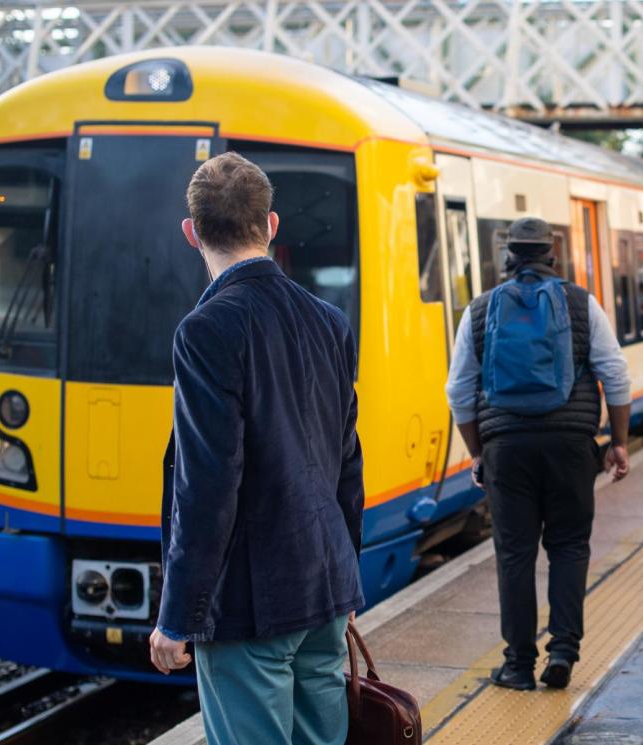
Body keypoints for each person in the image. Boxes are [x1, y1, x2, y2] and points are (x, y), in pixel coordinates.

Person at [149, 152, 364, 745]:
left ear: (193, 233)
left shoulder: (207, 329)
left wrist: (178, 615)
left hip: (249, 604)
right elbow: (348, 459)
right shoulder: (329, 321)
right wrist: (347, 581)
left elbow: (208, 483)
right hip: (323, 586)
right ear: (271, 226)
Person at [446, 216, 631, 692]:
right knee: (569, 547)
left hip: (506, 448)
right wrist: (620, 442)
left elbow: (458, 392)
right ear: (552, 254)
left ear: (508, 256)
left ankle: (518, 666)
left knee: (515, 555)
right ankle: (563, 652)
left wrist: (477, 452)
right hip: (571, 446)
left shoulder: (480, 309)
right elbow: (616, 375)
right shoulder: (581, 303)